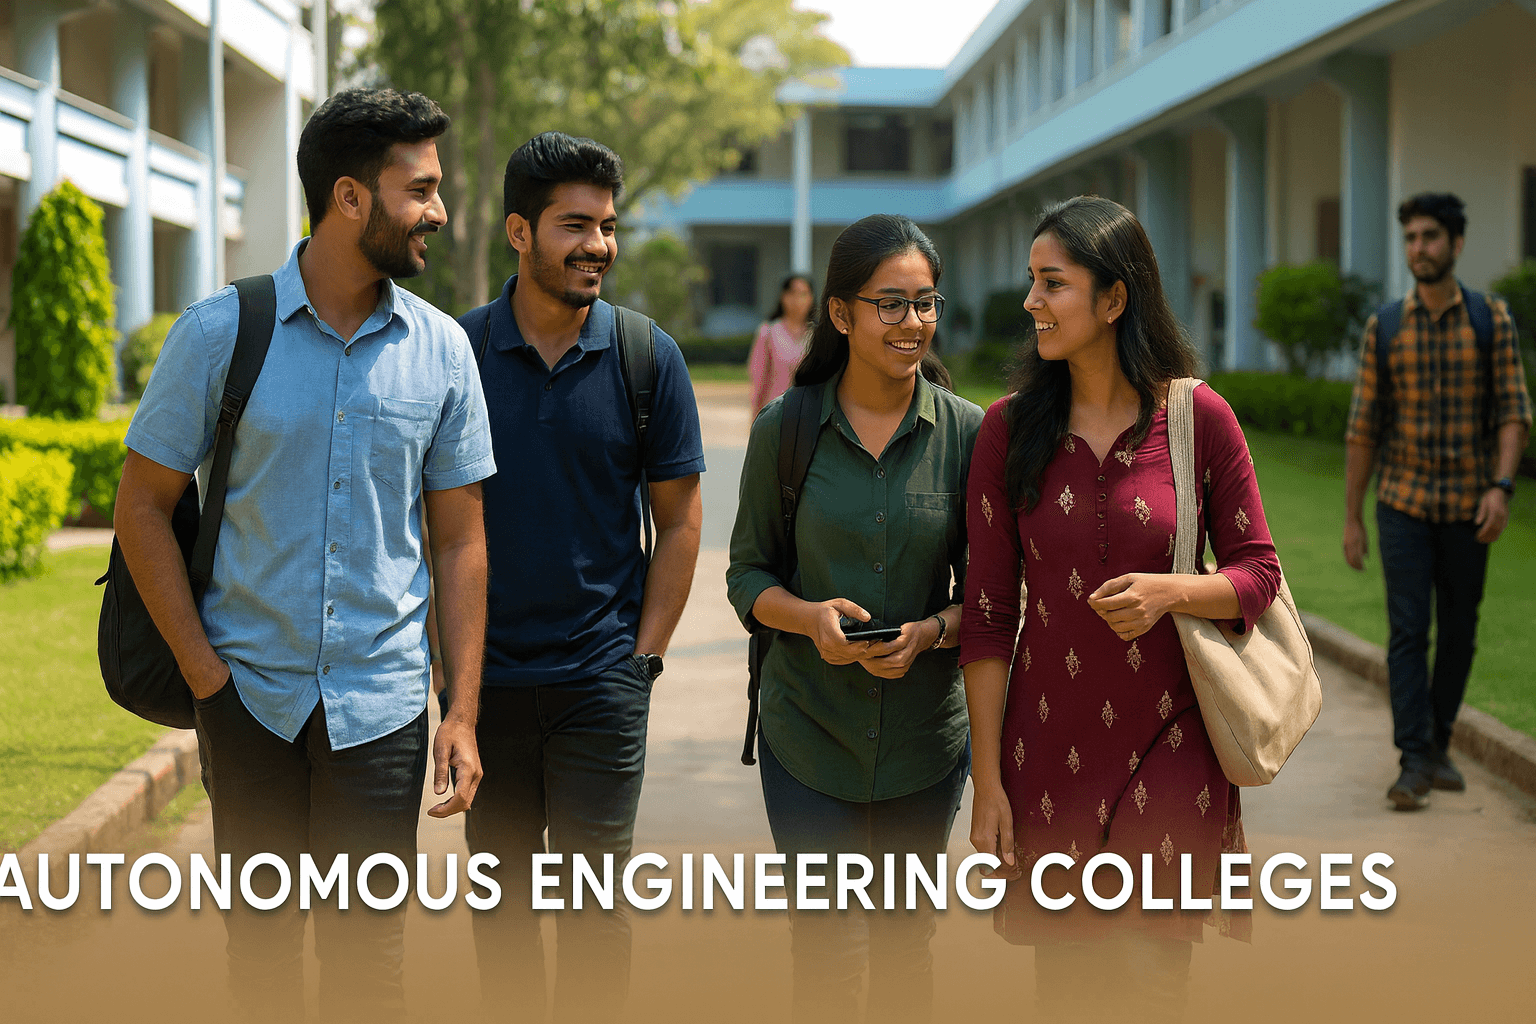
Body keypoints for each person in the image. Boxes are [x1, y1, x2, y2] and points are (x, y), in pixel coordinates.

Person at [113, 88, 493, 1022]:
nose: (438, 212)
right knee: (265, 965)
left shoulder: (442, 351)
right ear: (351, 197)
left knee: (374, 970)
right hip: (249, 703)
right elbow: (141, 509)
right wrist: (207, 678)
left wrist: (462, 710)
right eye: (422, 190)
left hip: (383, 710)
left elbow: (460, 540)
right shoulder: (218, 332)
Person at [960, 196, 1281, 1021]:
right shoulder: (1008, 431)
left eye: (1052, 283)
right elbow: (990, 617)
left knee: (1148, 977)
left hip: (1173, 734)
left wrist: (1172, 591)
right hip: (1047, 745)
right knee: (1068, 987)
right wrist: (987, 782)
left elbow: (1257, 572)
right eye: (1032, 281)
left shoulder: (1197, 417)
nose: (1031, 301)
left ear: (1114, 298)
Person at [455, 131, 705, 1021]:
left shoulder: (647, 356)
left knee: (598, 915)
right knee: (505, 913)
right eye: (574, 225)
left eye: (606, 225)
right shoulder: (457, 354)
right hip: (487, 687)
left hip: (601, 681)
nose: (597, 244)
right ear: (519, 232)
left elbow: (678, 522)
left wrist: (641, 662)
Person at [726, 214, 982, 1023]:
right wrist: (807, 619)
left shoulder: (969, 435)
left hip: (923, 745)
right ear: (840, 314)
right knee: (829, 957)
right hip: (809, 739)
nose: (913, 323)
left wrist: (933, 633)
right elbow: (747, 576)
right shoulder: (787, 431)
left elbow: (991, 594)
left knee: (908, 948)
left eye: (926, 303)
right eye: (890, 304)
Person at [1343, 192, 1531, 810]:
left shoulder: (1490, 320)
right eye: (1410, 238)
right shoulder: (1387, 326)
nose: (1418, 248)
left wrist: (1501, 488)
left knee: (1459, 632)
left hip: (1468, 506)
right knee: (1406, 632)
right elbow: (1364, 426)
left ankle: (1441, 742)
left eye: (1429, 236)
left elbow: (1513, 411)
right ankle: (1413, 761)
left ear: (1455, 243)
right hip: (1402, 503)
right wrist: (1352, 517)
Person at [748, 273, 816, 417]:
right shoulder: (768, 333)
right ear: (783, 296)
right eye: (793, 293)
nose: (797, 300)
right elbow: (758, 380)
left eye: (803, 294)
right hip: (774, 415)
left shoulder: (817, 336)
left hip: (808, 416)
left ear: (811, 298)